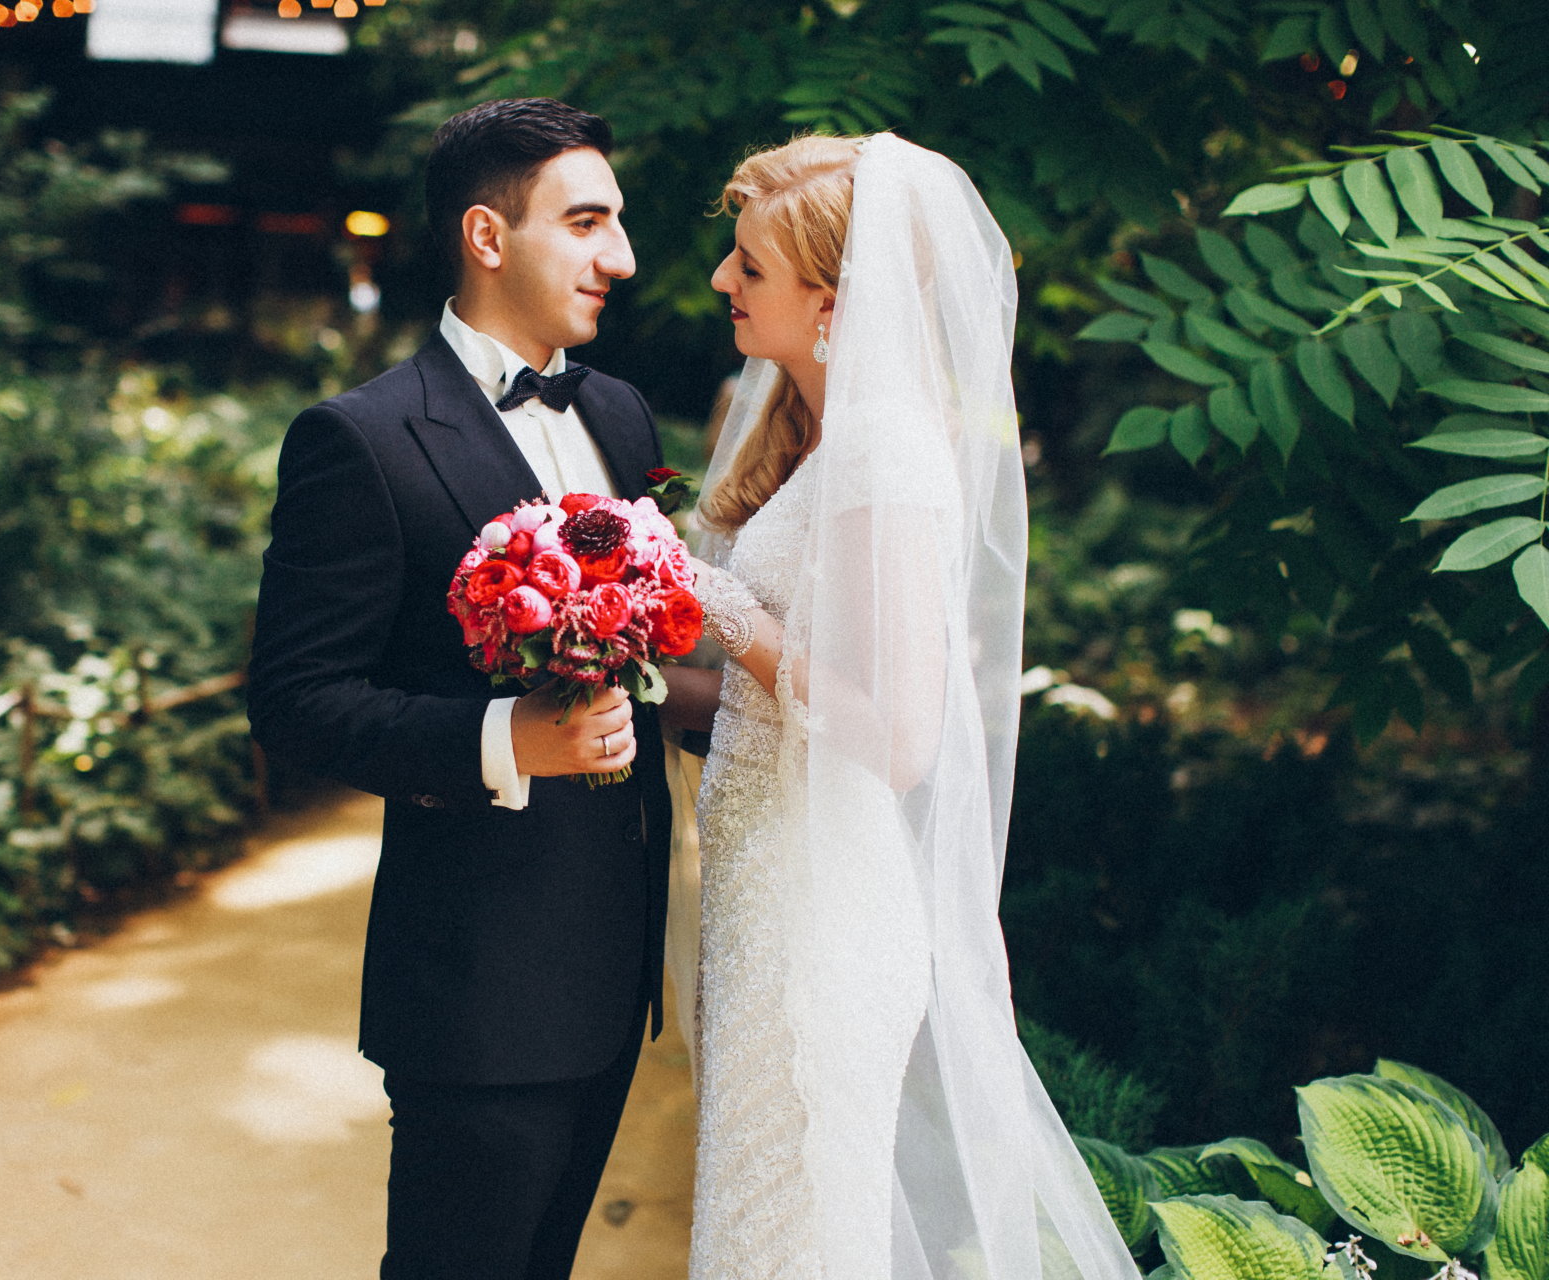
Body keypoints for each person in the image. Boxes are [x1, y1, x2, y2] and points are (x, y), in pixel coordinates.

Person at [663, 133, 1141, 1279]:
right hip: (768, 888)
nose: (723, 280)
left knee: (790, 1237)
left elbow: (898, 733)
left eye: (751, 267)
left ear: (832, 303)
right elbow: (770, 695)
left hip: (817, 909)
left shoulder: (883, 452)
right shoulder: (824, 438)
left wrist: (721, 606)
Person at [246, 98, 674, 1280]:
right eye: (586, 222)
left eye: (617, 222)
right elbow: (294, 698)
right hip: (477, 985)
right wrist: (502, 738)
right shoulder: (362, 438)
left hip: (612, 962)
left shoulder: (620, 412)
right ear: (487, 236)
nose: (622, 257)